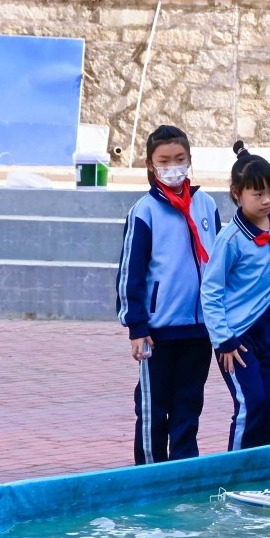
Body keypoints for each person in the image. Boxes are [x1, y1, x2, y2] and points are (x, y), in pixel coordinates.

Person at [116, 124, 218, 464]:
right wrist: (137, 326)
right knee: (153, 409)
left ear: (189, 160)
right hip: (158, 331)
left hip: (199, 329)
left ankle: (183, 472)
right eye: (164, 161)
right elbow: (131, 273)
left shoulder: (206, 205)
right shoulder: (144, 211)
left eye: (180, 159)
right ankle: (150, 473)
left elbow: (217, 264)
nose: (173, 167)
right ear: (151, 164)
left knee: (189, 407)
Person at [201, 143, 270, 451]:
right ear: (237, 194)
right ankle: (236, 471)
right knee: (250, 405)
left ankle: (262, 470)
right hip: (236, 337)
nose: (267, 200)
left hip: (268, 325)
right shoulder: (230, 239)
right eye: (257, 194)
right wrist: (223, 340)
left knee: (267, 409)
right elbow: (210, 290)